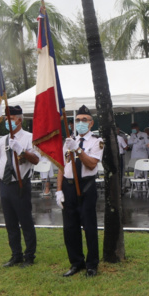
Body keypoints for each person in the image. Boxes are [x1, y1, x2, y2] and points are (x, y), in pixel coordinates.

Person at [0, 106, 41, 268]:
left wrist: (22, 151)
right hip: (5, 183)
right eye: (6, 119)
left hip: (20, 183)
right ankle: (16, 255)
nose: (7, 121)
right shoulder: (2, 140)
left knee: (25, 221)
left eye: (10, 119)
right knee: (10, 222)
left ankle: (29, 255)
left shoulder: (29, 137)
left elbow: (35, 160)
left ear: (19, 120)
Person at [55, 105, 103, 277]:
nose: (80, 123)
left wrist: (78, 149)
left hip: (86, 186)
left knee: (89, 227)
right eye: (77, 120)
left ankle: (92, 264)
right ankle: (76, 262)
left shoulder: (96, 141)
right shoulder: (68, 141)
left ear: (91, 123)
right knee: (69, 228)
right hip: (68, 187)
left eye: (84, 120)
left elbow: (91, 164)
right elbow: (62, 166)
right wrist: (59, 190)